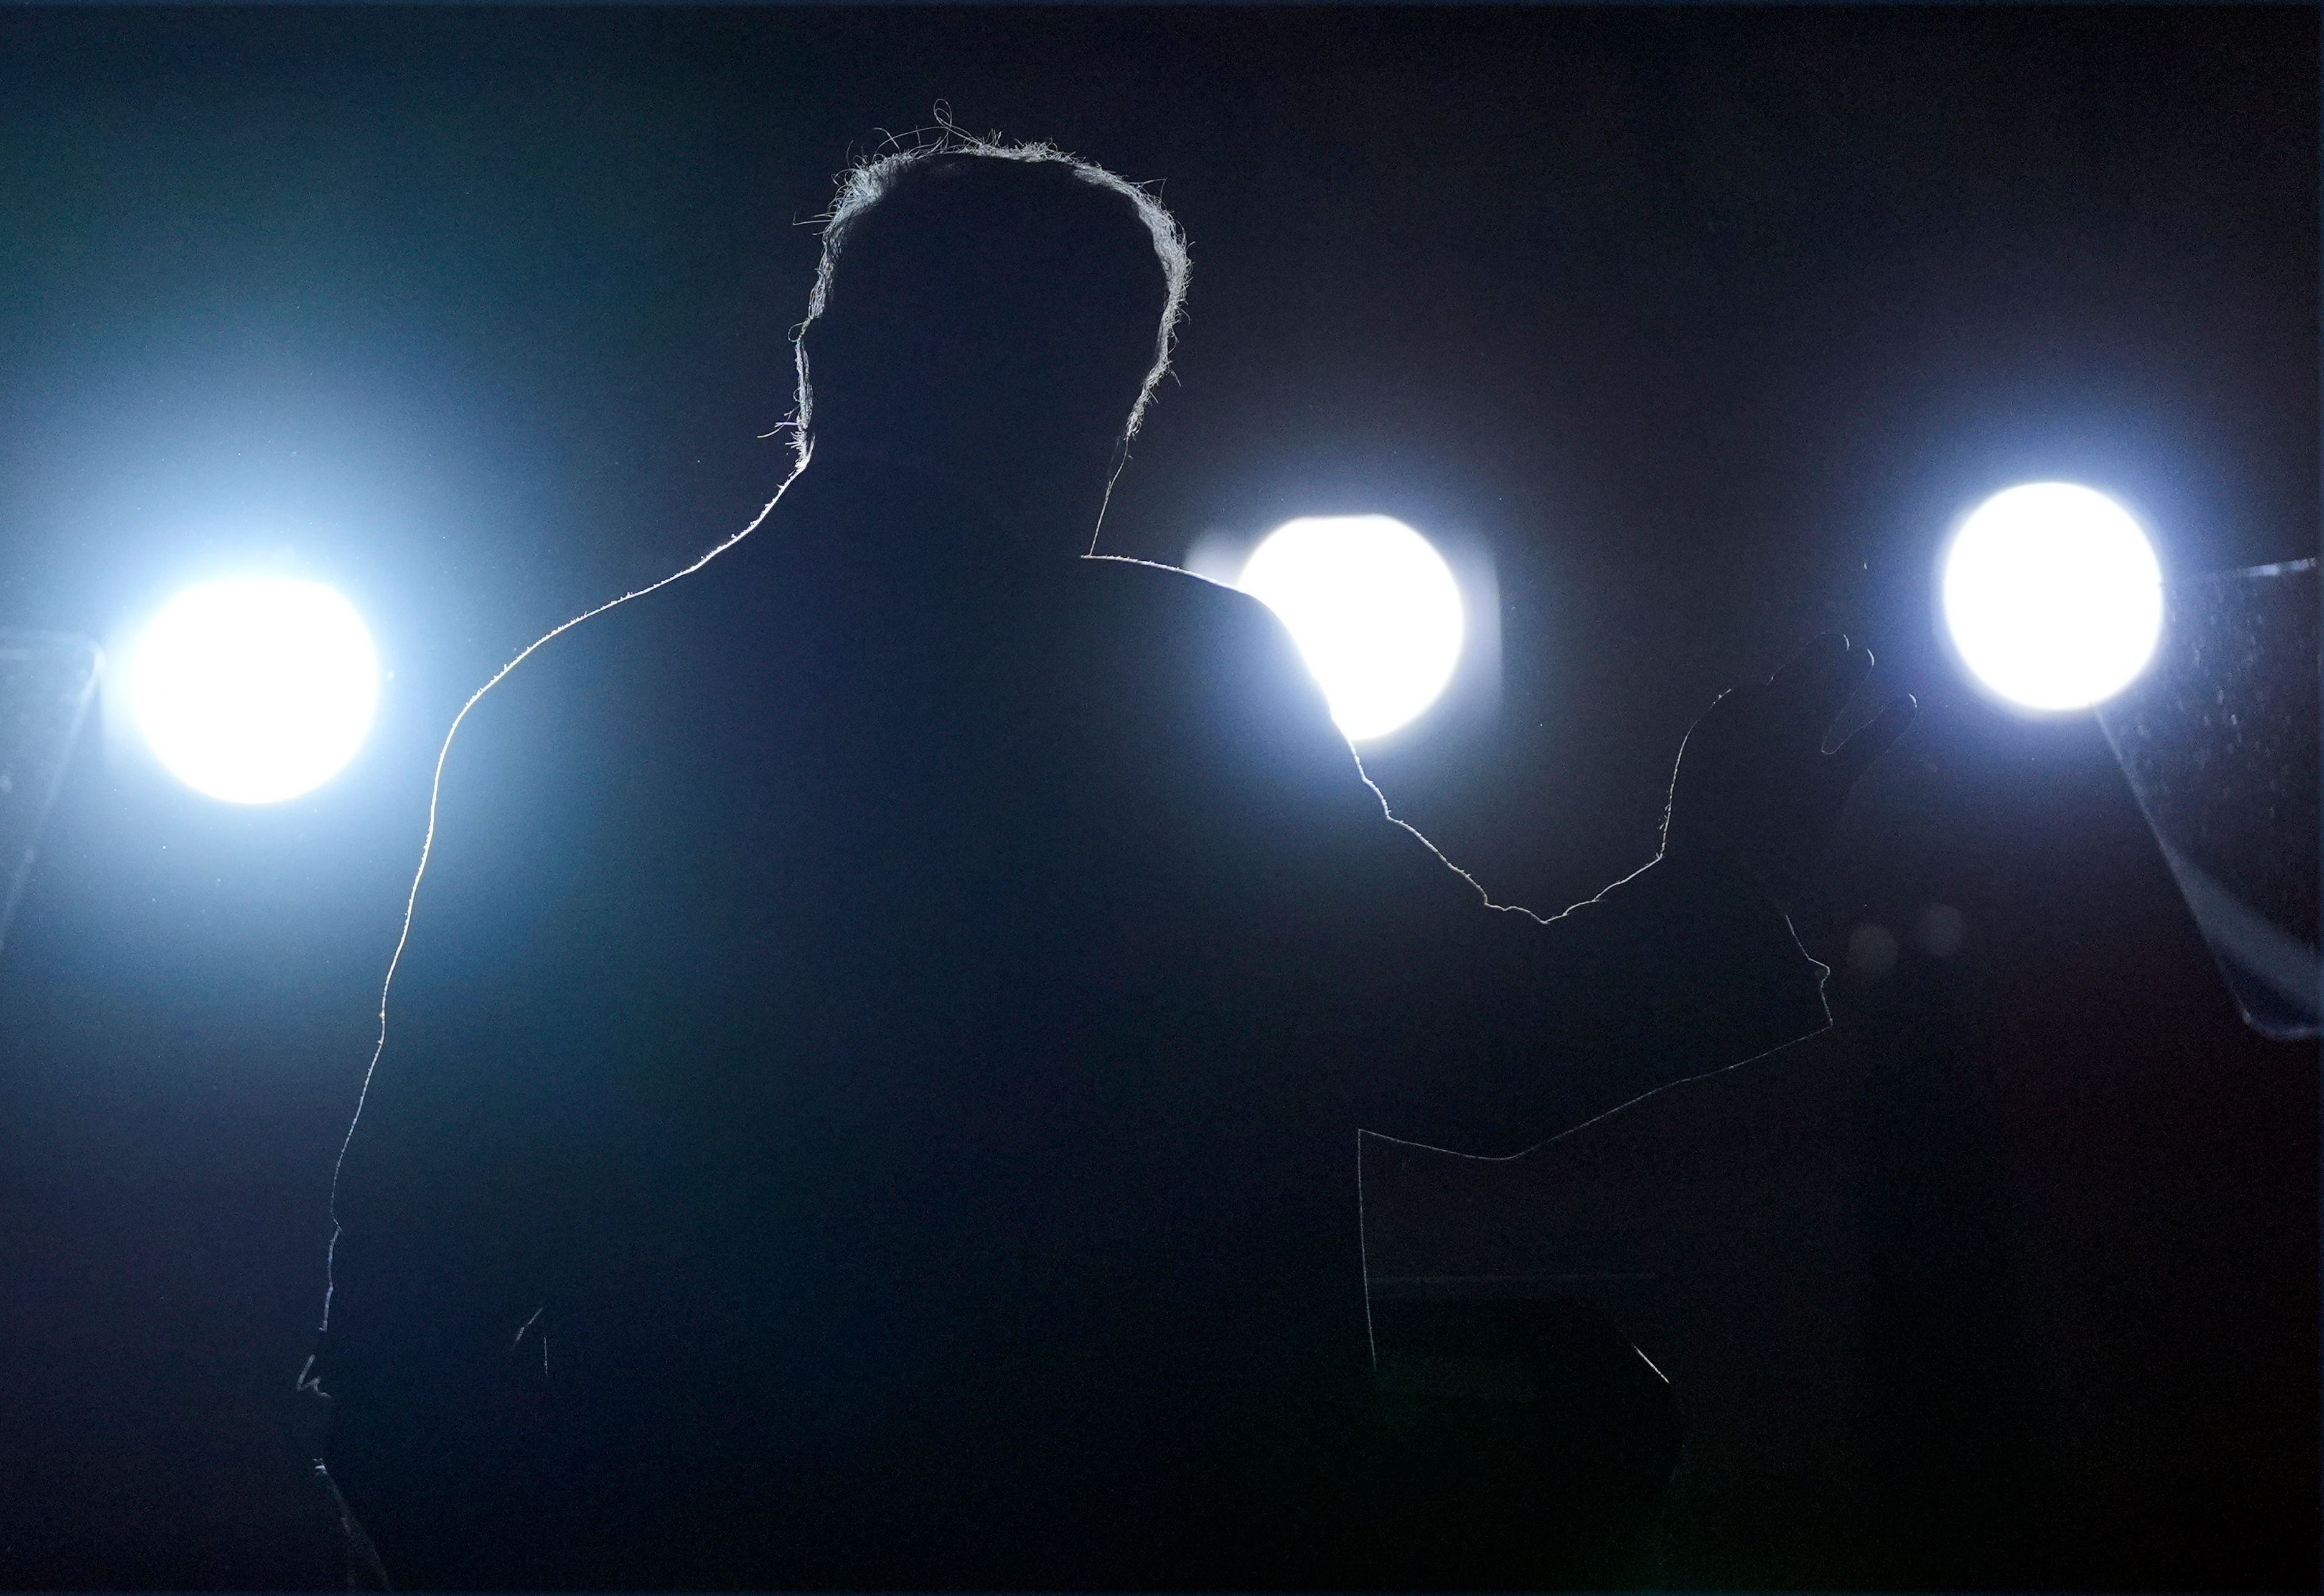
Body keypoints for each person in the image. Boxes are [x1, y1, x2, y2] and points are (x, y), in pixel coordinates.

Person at [313, 134, 1913, 1589]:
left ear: (821, 357)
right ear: (1108, 401)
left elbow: (409, 1300)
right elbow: (1474, 1057)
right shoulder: (1170, 679)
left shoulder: (563, 709)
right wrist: (1725, 874)